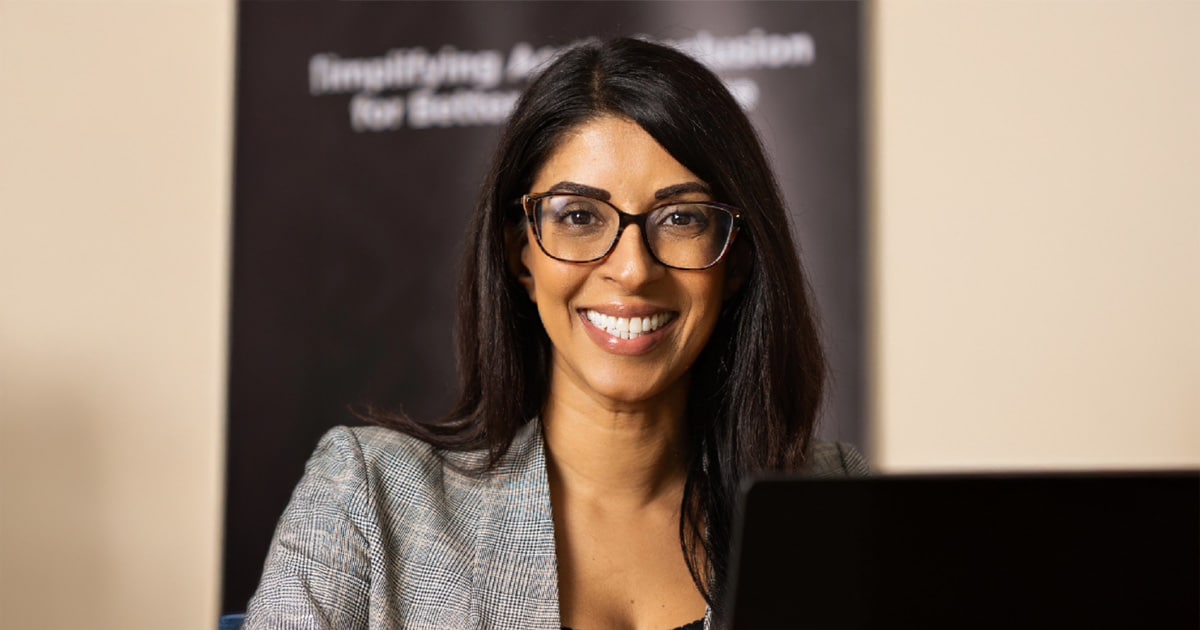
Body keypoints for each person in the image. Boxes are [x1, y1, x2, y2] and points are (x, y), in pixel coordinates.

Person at [243, 36, 868, 629]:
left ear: (736, 260)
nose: (632, 269)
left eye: (681, 218)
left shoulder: (833, 502)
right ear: (521, 254)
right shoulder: (368, 496)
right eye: (579, 216)